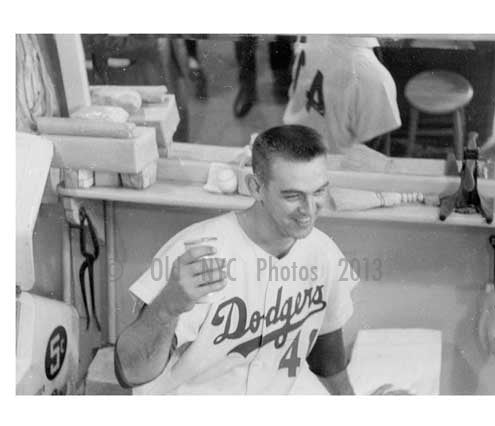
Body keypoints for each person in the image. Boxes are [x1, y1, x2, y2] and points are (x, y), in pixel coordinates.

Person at [115, 125, 404, 395]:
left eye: (318, 192)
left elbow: (325, 353)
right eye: (292, 196)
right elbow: (129, 372)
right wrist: (167, 306)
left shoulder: (323, 252)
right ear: (256, 188)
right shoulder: (199, 251)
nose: (309, 209)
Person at [283, 35, 402, 155]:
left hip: (296, 144)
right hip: (332, 163)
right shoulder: (372, 76)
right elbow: (375, 156)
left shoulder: (310, 36)